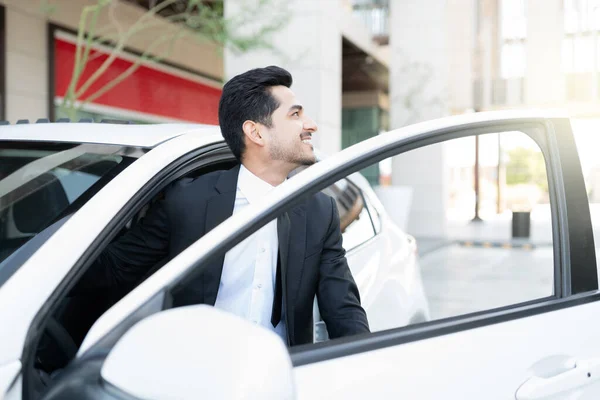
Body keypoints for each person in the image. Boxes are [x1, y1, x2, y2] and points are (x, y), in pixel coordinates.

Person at [76, 66, 369, 346]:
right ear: (256, 133)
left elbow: (343, 309)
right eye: (295, 115)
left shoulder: (320, 212)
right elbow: (112, 269)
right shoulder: (188, 201)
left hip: (281, 373)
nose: (311, 125)